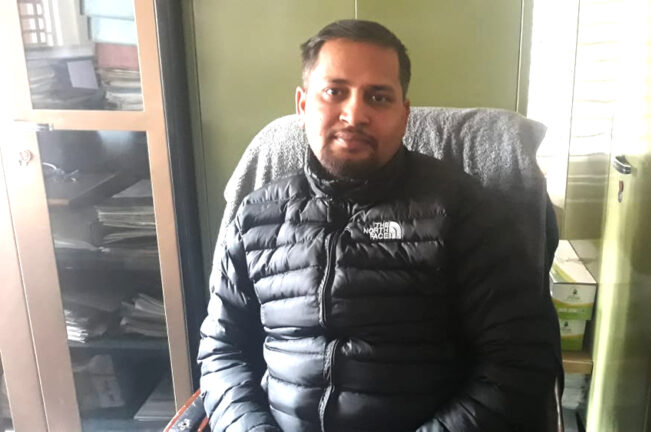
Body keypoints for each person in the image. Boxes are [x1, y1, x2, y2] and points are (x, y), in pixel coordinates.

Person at [198, 19, 561, 432]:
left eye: (378, 97)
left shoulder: (463, 211)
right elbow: (222, 350)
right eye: (335, 91)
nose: (355, 114)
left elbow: (520, 361)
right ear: (302, 105)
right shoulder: (255, 217)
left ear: (404, 115)